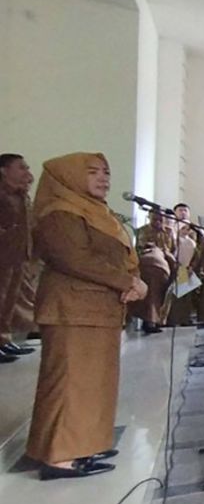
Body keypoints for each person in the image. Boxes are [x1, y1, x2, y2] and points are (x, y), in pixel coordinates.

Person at [25, 153, 146, 479]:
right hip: (72, 309)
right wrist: (127, 281)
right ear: (70, 177)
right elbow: (74, 259)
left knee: (91, 383)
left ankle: (80, 445)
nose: (103, 178)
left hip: (97, 309)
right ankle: (59, 457)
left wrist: (131, 280)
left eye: (106, 172)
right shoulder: (59, 213)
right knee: (69, 383)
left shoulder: (95, 212)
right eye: (92, 172)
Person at [0, 153, 35, 362]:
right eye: (21, 167)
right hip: (2, 255)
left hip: (17, 256)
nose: (26, 172)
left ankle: (3, 340)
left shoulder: (21, 195)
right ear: (4, 170)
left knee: (8, 302)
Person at [131, 208, 175, 333]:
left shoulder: (169, 231)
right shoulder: (143, 230)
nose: (158, 221)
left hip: (167, 266)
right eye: (155, 218)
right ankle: (149, 321)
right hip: (151, 267)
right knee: (152, 294)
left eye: (161, 219)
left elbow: (173, 248)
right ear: (149, 217)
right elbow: (141, 247)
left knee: (164, 294)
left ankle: (160, 320)